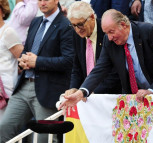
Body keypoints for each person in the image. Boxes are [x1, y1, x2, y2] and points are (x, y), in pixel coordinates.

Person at [59, 9, 153, 111]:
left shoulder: (149, 31)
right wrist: (81, 93)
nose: (109, 38)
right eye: (106, 33)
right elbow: (99, 69)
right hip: (136, 100)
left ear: (123, 25)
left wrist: (152, 90)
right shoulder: (109, 42)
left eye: (111, 32)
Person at [0, 0, 74, 142]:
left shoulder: (66, 25)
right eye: (39, 0)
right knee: (4, 129)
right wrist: (22, 61)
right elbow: (26, 51)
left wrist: (38, 62)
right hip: (23, 87)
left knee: (44, 138)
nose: (42, 2)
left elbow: (68, 61)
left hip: (47, 89)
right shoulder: (35, 22)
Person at [64, 1, 121, 97]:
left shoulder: (107, 33)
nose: (77, 29)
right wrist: (73, 88)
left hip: (111, 94)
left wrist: (88, 91)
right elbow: (77, 66)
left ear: (91, 17)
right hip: (88, 95)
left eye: (80, 24)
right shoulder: (76, 34)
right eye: (73, 25)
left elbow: (115, 70)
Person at [0, 0, 23, 119]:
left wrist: (16, 70)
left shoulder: (8, 32)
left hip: (5, 90)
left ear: (3, 11)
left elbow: (23, 59)